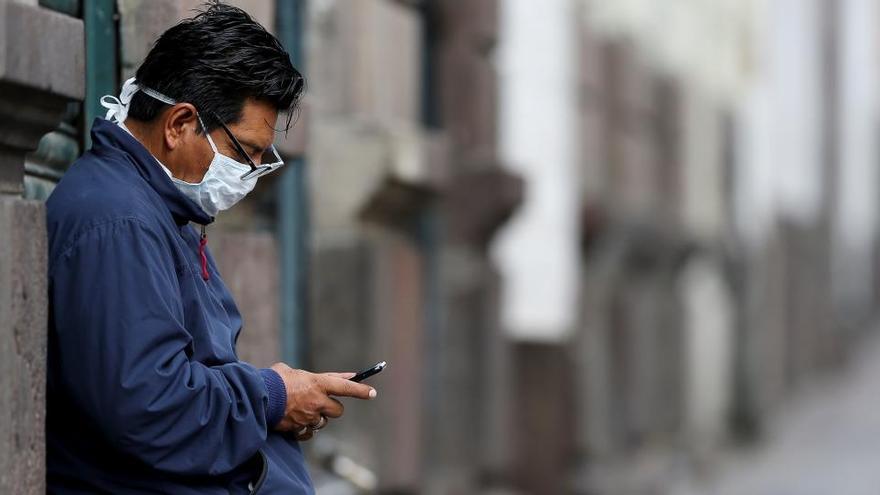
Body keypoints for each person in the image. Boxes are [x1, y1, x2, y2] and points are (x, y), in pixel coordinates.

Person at [45, 3, 376, 493]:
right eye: (245, 153)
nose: (252, 174)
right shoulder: (117, 222)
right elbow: (148, 407)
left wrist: (277, 395)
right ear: (179, 124)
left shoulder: (160, 208)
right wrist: (272, 397)